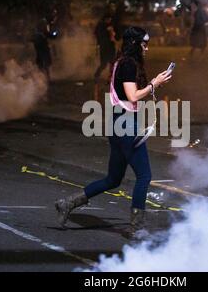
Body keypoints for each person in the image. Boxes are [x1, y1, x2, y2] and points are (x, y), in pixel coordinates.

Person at [55, 27, 172, 238]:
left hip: (118, 122)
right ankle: (136, 229)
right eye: (144, 43)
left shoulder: (121, 62)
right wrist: (154, 84)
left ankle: (67, 203)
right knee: (144, 176)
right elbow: (133, 96)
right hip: (126, 124)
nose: (147, 47)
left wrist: (154, 86)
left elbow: (130, 95)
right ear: (135, 44)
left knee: (113, 179)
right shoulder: (128, 64)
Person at [93, 14, 117, 100]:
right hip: (107, 47)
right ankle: (98, 75)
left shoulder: (103, 26)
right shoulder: (104, 27)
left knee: (110, 62)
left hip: (107, 47)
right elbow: (111, 37)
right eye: (108, 19)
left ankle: (109, 76)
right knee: (106, 63)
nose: (109, 20)